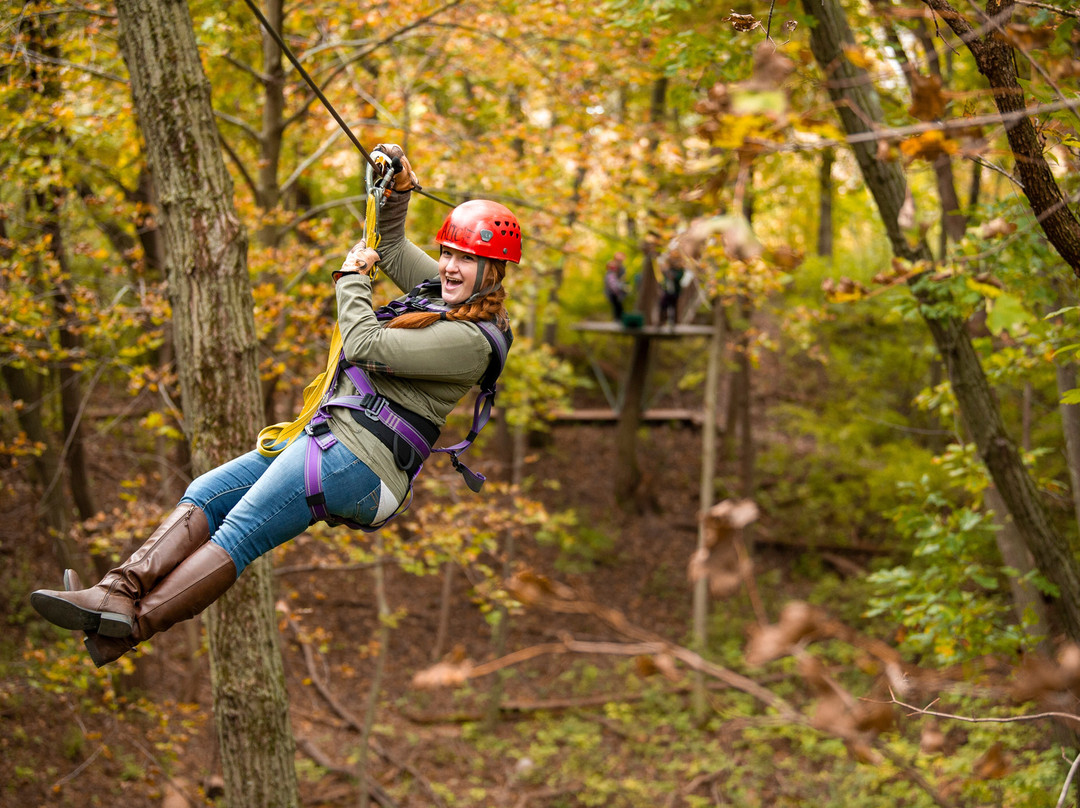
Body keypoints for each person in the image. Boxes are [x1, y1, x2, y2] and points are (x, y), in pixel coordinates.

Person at [29, 144, 521, 667]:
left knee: (240, 531)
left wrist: (351, 278)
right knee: (208, 492)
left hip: (363, 461)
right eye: (447, 252)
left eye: (466, 258)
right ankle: (115, 596)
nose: (449, 266)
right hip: (336, 440)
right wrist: (397, 191)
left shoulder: (472, 338)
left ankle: (131, 626)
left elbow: (364, 345)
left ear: (492, 270)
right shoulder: (443, 298)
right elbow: (394, 246)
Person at [658, 257, 685, 327]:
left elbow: (677, 278)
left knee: (674, 307)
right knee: (663, 305)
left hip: (675, 292)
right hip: (667, 291)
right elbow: (663, 275)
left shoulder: (680, 270)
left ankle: (674, 323)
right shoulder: (668, 269)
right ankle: (662, 321)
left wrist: (671, 275)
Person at [603, 252, 628, 322]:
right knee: (616, 306)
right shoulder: (610, 272)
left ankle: (620, 319)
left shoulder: (622, 269)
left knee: (619, 306)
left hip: (619, 291)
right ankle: (617, 320)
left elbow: (623, 279)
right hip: (612, 292)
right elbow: (610, 283)